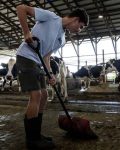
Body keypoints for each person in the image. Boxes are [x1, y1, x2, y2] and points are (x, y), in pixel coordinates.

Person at [16, 4, 89, 150]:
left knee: (44, 96)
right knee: (36, 95)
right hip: (25, 57)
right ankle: (31, 140)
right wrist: (26, 33)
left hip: (38, 62)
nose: (78, 30)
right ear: (75, 19)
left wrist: (50, 74)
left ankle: (36, 134)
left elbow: (47, 56)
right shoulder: (50, 17)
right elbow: (20, 8)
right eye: (80, 27)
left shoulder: (62, 40)